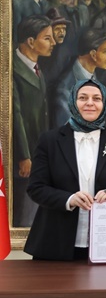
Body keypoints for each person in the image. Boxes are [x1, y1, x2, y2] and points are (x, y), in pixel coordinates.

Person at [24, 79, 106, 261]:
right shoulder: (49, 140)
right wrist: (69, 199)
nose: (90, 103)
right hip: (55, 243)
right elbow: (36, 188)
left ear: (105, 104)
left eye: (96, 98)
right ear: (72, 102)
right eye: (83, 98)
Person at [13, 15, 55, 227]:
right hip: (23, 158)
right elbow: (16, 115)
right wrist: (24, 155)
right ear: (30, 41)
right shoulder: (11, 70)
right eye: (47, 38)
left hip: (37, 153)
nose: (53, 42)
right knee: (24, 211)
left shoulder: (37, 68)